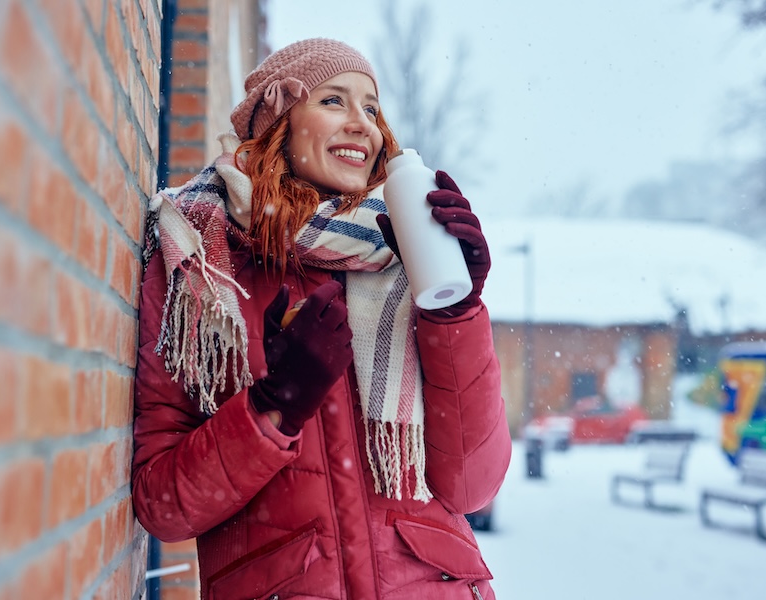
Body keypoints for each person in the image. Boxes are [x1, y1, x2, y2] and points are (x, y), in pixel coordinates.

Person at [132, 37, 511, 600]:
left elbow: (471, 485)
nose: (363, 124)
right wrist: (275, 405)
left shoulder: (406, 255)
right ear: (278, 123)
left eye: (372, 109)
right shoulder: (198, 258)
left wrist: (457, 314)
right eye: (334, 101)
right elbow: (163, 504)